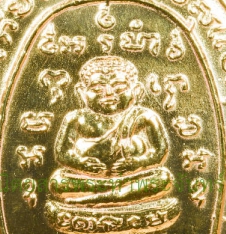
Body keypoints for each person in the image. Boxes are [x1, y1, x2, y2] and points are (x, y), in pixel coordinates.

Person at [49, 56, 173, 205]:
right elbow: (62, 153)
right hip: (93, 181)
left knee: (162, 179)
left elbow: (160, 151)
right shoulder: (76, 118)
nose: (108, 93)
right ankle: (117, 195)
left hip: (133, 177)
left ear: (137, 90)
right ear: (81, 92)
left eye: (119, 88)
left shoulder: (144, 116)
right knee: (58, 181)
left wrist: (136, 164)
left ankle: (94, 200)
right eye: (97, 89)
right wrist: (81, 164)